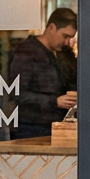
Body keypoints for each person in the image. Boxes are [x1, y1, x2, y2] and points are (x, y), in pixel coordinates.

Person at [8, 7, 78, 139]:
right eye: (65, 36)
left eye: (71, 37)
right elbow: (17, 93)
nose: (67, 42)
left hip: (59, 126)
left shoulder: (65, 53)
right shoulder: (26, 51)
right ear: (51, 27)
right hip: (31, 128)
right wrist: (55, 101)